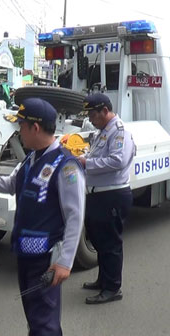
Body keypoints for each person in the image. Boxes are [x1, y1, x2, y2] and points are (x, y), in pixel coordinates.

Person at [0, 98, 85, 335]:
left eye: (21, 126)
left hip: (45, 259)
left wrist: (65, 261)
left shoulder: (66, 166)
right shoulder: (31, 158)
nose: (18, 131)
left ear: (35, 128)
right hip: (25, 255)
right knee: (35, 319)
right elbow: (14, 183)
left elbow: (75, 216)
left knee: (44, 322)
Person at [78, 93, 135, 304]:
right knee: (100, 242)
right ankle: (103, 280)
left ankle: (112, 288)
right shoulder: (103, 132)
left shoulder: (119, 132)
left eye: (93, 114)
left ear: (104, 111)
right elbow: (96, 155)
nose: (90, 119)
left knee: (110, 244)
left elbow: (117, 161)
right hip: (98, 195)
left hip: (112, 195)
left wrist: (86, 163)